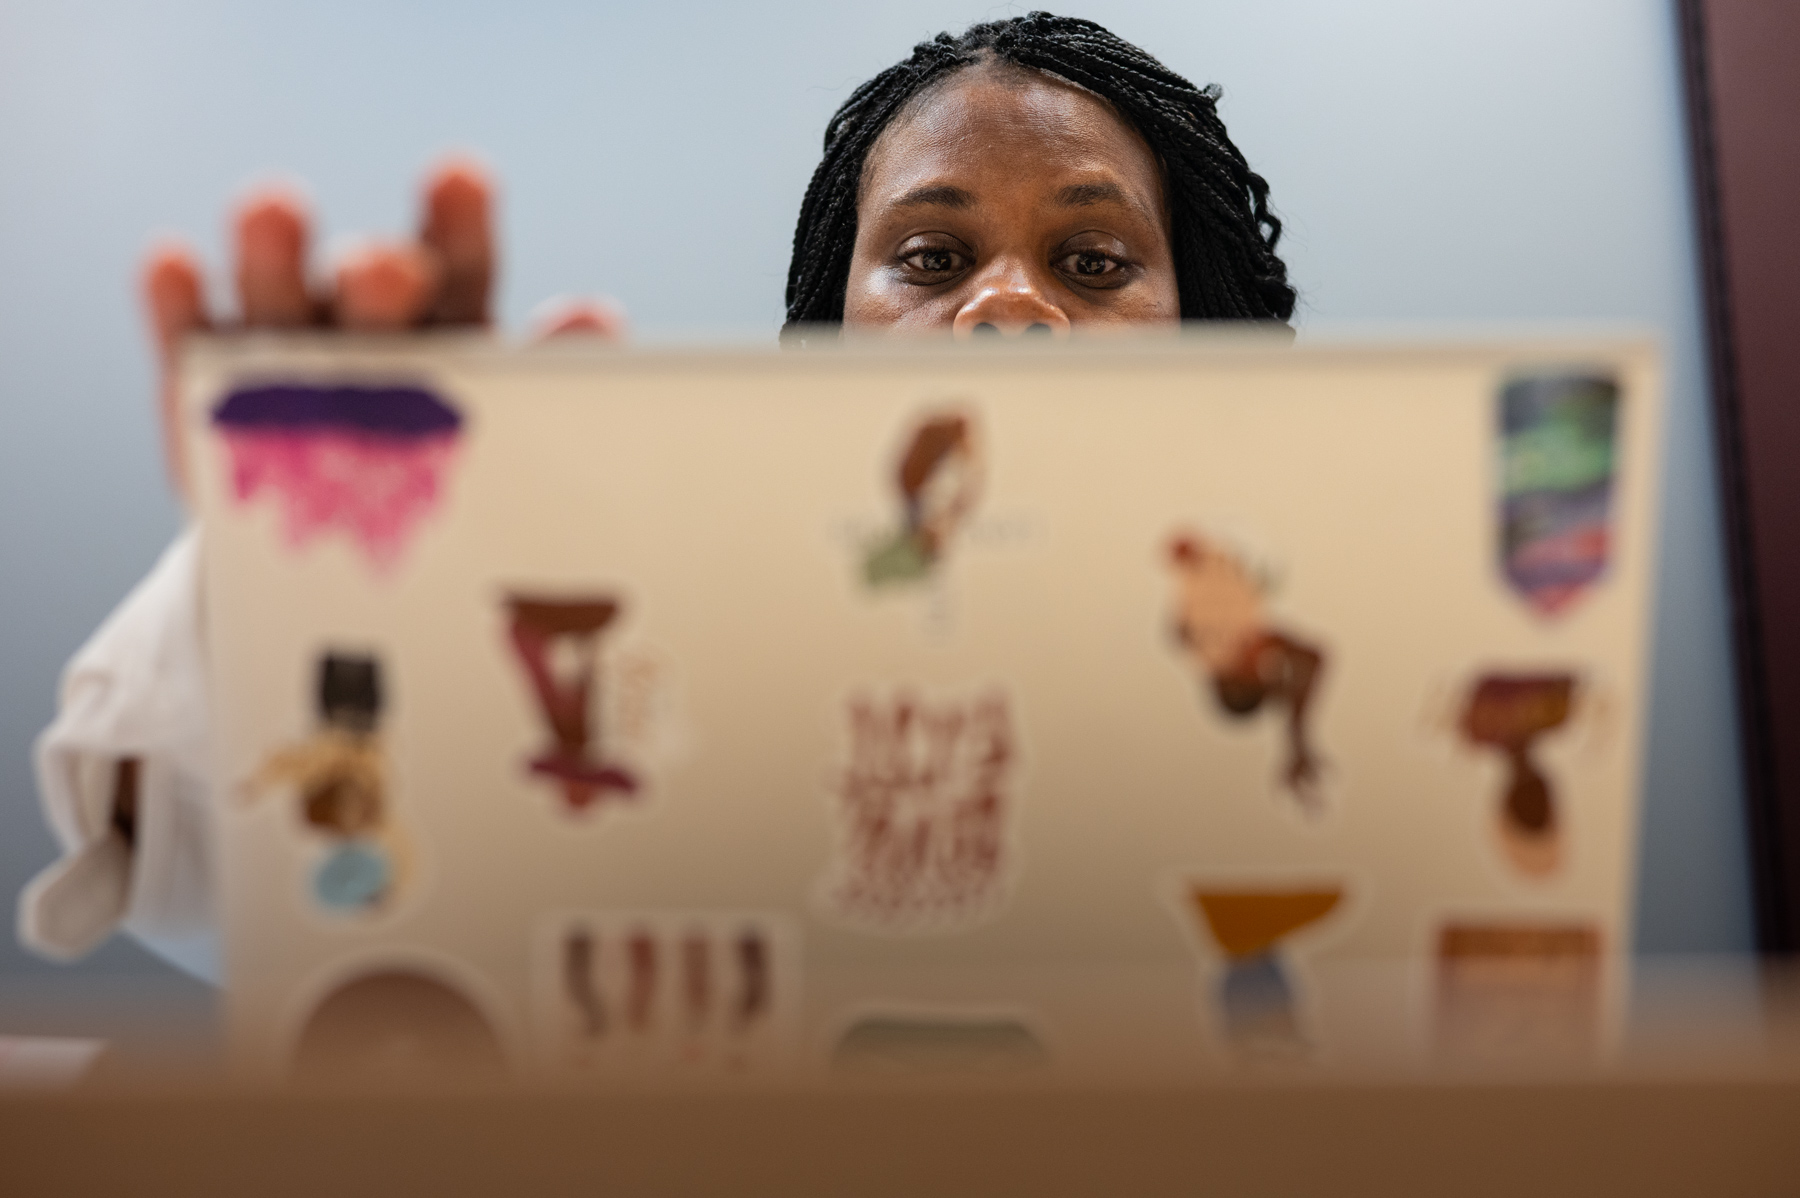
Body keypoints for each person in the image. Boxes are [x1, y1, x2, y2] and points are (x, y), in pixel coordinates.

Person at [19, 12, 1294, 978]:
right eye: (931, 258)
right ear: (826, 344)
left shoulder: (1367, 661)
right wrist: (331, 597)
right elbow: (211, 861)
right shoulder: (643, 662)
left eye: (1091, 260)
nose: (1008, 307)